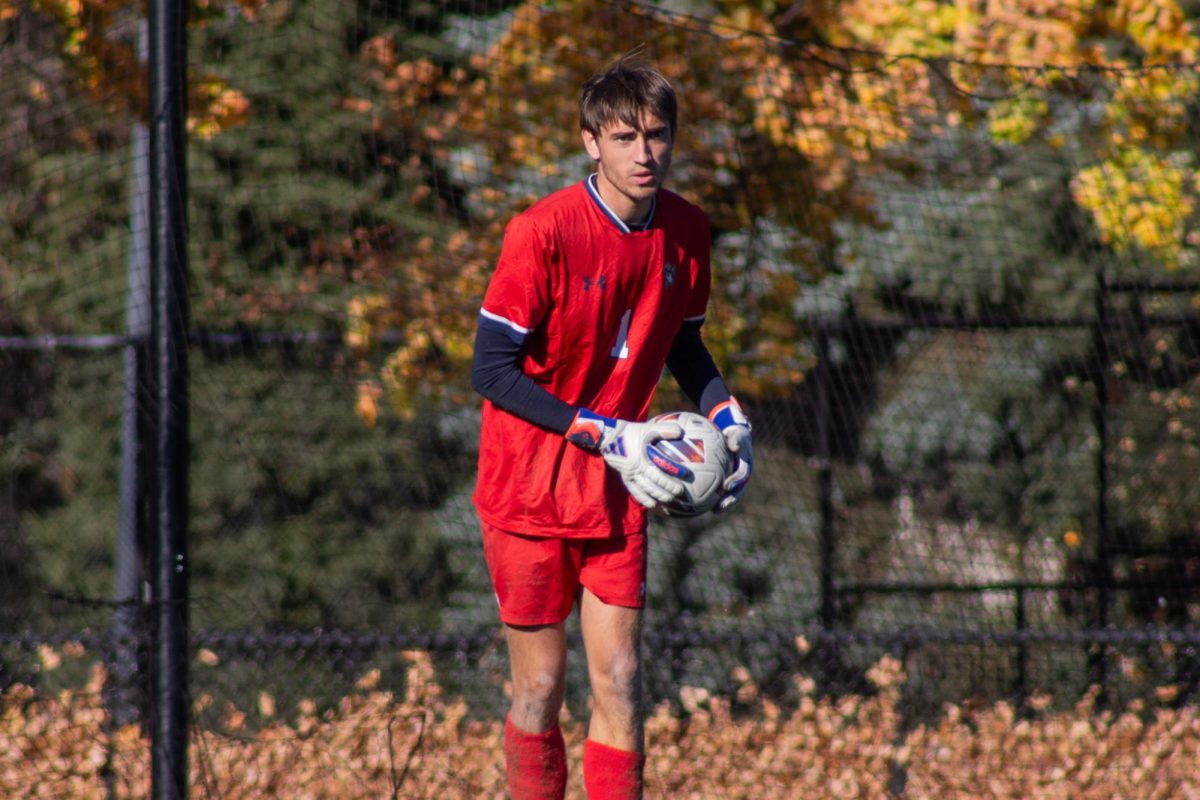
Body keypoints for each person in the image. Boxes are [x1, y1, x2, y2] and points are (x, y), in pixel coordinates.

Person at [470, 55, 753, 800]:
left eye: (657, 135)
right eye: (625, 137)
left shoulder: (688, 229)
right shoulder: (542, 233)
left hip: (620, 487)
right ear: (591, 142)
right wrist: (602, 430)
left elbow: (682, 340)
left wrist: (728, 415)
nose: (644, 153)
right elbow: (490, 372)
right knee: (539, 687)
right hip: (528, 488)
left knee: (622, 678)